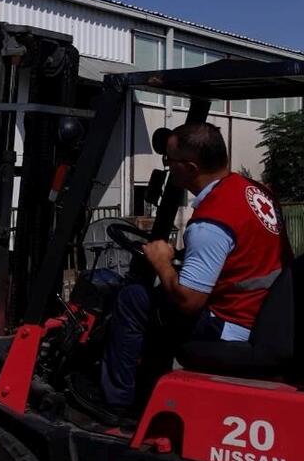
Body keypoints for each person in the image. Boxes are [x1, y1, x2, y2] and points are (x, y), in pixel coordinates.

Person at [71, 122, 290, 421]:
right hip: (264, 312)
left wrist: (162, 263)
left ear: (189, 168)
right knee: (157, 300)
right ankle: (148, 383)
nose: (167, 167)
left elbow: (189, 302)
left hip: (234, 323)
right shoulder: (254, 192)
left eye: (169, 162)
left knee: (132, 298)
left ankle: (118, 403)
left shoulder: (210, 223)